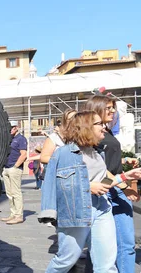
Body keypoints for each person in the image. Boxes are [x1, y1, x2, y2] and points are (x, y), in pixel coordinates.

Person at [41, 111, 141, 272]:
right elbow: (55, 185)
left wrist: (125, 176)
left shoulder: (97, 153)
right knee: (65, 260)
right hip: (76, 212)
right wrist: (88, 186)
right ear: (86, 127)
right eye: (99, 124)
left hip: (102, 209)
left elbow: (104, 183)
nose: (104, 127)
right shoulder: (64, 153)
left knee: (107, 264)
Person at [83, 95, 138, 273]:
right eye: (108, 107)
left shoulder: (105, 132)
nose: (113, 111)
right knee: (117, 246)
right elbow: (100, 168)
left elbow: (108, 164)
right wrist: (122, 185)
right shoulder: (93, 135)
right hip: (108, 190)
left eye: (113, 107)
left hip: (112, 188)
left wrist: (125, 160)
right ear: (96, 108)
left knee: (108, 246)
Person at [0, 120, 27, 225]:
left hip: (14, 169)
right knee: (9, 193)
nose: (9, 130)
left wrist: (16, 166)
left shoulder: (21, 139)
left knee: (16, 193)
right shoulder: (10, 139)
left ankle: (18, 216)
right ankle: (13, 214)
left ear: (16, 128)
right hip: (6, 168)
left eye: (11, 128)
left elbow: (24, 154)